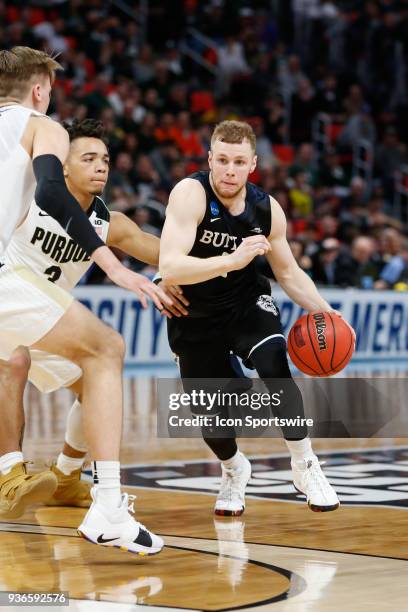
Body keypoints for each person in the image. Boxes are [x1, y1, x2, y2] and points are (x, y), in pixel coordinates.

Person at [0, 47, 171, 555]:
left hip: (30, 298)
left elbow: (159, 249)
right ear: (39, 90)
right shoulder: (42, 126)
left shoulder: (107, 215)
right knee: (104, 349)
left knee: (91, 372)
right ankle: (108, 507)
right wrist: (112, 265)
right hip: (11, 280)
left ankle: (69, 475)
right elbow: (51, 193)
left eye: (103, 160)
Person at [160, 120, 354, 516]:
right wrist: (233, 259)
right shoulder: (190, 194)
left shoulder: (266, 209)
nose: (229, 170)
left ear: (253, 165)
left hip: (247, 303)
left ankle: (304, 463)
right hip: (194, 314)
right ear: (210, 159)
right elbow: (171, 266)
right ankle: (233, 469)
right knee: (209, 416)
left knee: (274, 364)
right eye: (223, 160)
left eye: (239, 162)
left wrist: (324, 310)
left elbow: (288, 273)